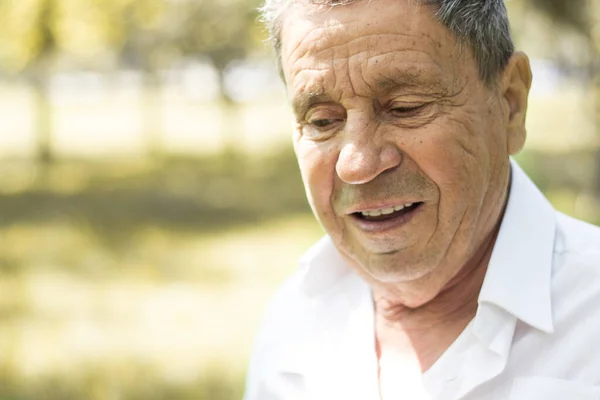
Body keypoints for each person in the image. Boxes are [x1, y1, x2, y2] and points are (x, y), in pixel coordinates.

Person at [244, 0, 600, 398]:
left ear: (510, 104)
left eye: (405, 107)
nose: (357, 165)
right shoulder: (292, 321)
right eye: (323, 121)